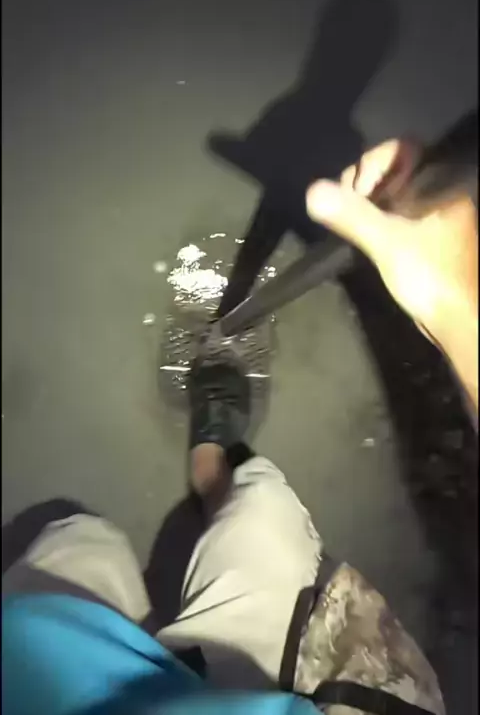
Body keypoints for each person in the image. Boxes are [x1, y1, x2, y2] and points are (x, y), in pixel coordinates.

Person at [2, 139, 477, 715]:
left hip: (49, 676)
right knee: (261, 504)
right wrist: (461, 313)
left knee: (72, 543)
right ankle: (214, 456)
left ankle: (209, 450)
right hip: (277, 693)